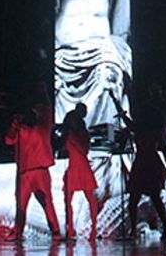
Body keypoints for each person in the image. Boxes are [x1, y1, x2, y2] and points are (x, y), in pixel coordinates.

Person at [110, 89, 166, 239]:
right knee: (142, 198)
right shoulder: (149, 129)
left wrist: (115, 100)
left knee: (148, 198)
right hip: (147, 162)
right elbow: (164, 149)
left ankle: (163, 229)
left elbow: (163, 148)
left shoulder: (144, 128)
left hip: (146, 163)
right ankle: (144, 230)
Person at [5, 85, 61, 240]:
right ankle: (18, 232)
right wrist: (13, 126)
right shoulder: (21, 129)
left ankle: (55, 231)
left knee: (47, 202)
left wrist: (44, 93)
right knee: (21, 204)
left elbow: (48, 110)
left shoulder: (43, 126)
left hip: (40, 170)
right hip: (24, 172)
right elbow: (9, 140)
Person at [61, 103, 99, 240]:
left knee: (89, 198)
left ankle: (93, 228)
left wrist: (70, 138)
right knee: (69, 199)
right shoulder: (74, 134)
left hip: (80, 166)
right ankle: (70, 229)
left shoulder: (79, 134)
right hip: (75, 166)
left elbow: (83, 150)